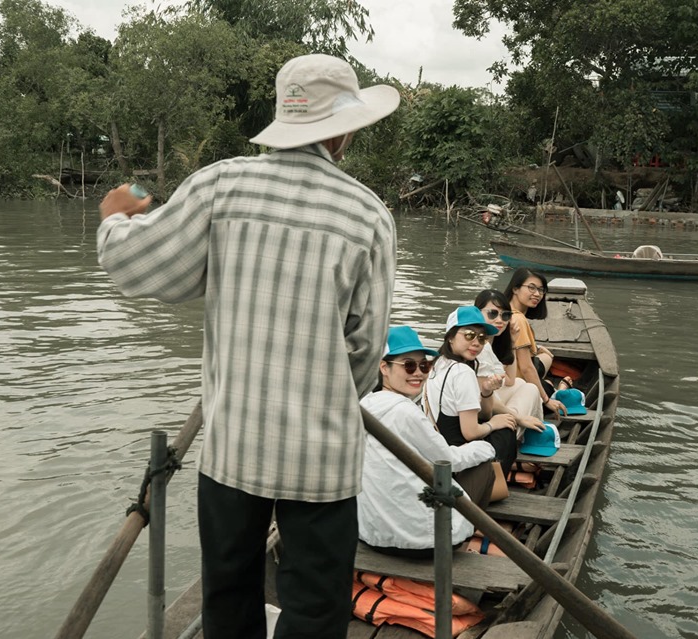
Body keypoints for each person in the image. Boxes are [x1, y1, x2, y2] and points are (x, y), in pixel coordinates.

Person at [96, 54, 400, 639]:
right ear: (339, 130)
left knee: (229, 593)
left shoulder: (221, 185)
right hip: (324, 455)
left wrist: (113, 218)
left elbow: (143, 268)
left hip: (236, 444)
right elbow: (365, 349)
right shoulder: (368, 215)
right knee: (315, 606)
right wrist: (331, 394)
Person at [359, 326, 496, 557]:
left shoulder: (365, 404)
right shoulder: (405, 411)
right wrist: (487, 446)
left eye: (424, 365)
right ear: (384, 367)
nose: (418, 373)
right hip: (423, 542)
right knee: (483, 468)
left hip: (372, 533)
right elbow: (448, 460)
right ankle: (464, 541)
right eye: (409, 365)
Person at [424, 306, 519, 476]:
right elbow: (471, 432)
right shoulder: (462, 372)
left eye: (482, 338)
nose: (476, 342)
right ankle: (490, 484)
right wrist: (494, 424)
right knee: (506, 431)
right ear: (451, 337)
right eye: (469, 335)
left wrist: (486, 391)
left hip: (441, 449)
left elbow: (483, 414)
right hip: (459, 460)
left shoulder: (437, 363)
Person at [472, 289, 546, 430]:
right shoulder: (479, 346)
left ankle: (521, 423)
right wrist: (519, 418)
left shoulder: (492, 343)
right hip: (479, 410)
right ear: (477, 313)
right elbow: (484, 395)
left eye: (505, 315)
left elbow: (510, 380)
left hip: (485, 401)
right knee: (531, 390)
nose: (500, 320)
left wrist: (512, 342)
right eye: (492, 314)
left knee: (521, 383)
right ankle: (515, 427)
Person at [503, 268, 566, 416]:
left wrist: (536, 348)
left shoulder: (502, 313)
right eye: (531, 287)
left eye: (541, 290)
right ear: (515, 288)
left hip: (505, 381)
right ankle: (559, 388)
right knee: (548, 384)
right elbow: (526, 368)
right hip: (516, 385)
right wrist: (546, 400)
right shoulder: (518, 319)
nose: (537, 294)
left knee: (545, 356)